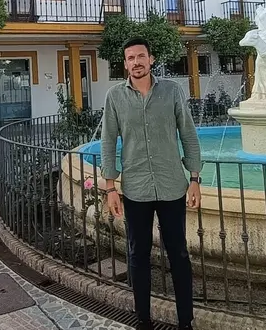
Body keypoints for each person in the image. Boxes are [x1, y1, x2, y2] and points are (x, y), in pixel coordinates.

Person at [99, 37, 202, 330]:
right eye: (130, 58)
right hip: (135, 189)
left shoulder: (171, 91)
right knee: (138, 254)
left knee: (179, 254)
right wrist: (110, 187)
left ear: (151, 59)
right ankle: (143, 319)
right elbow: (108, 142)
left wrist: (194, 178)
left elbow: (188, 134)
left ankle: (186, 321)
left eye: (141, 56)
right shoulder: (115, 97)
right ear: (125, 64)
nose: (136, 62)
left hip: (171, 185)